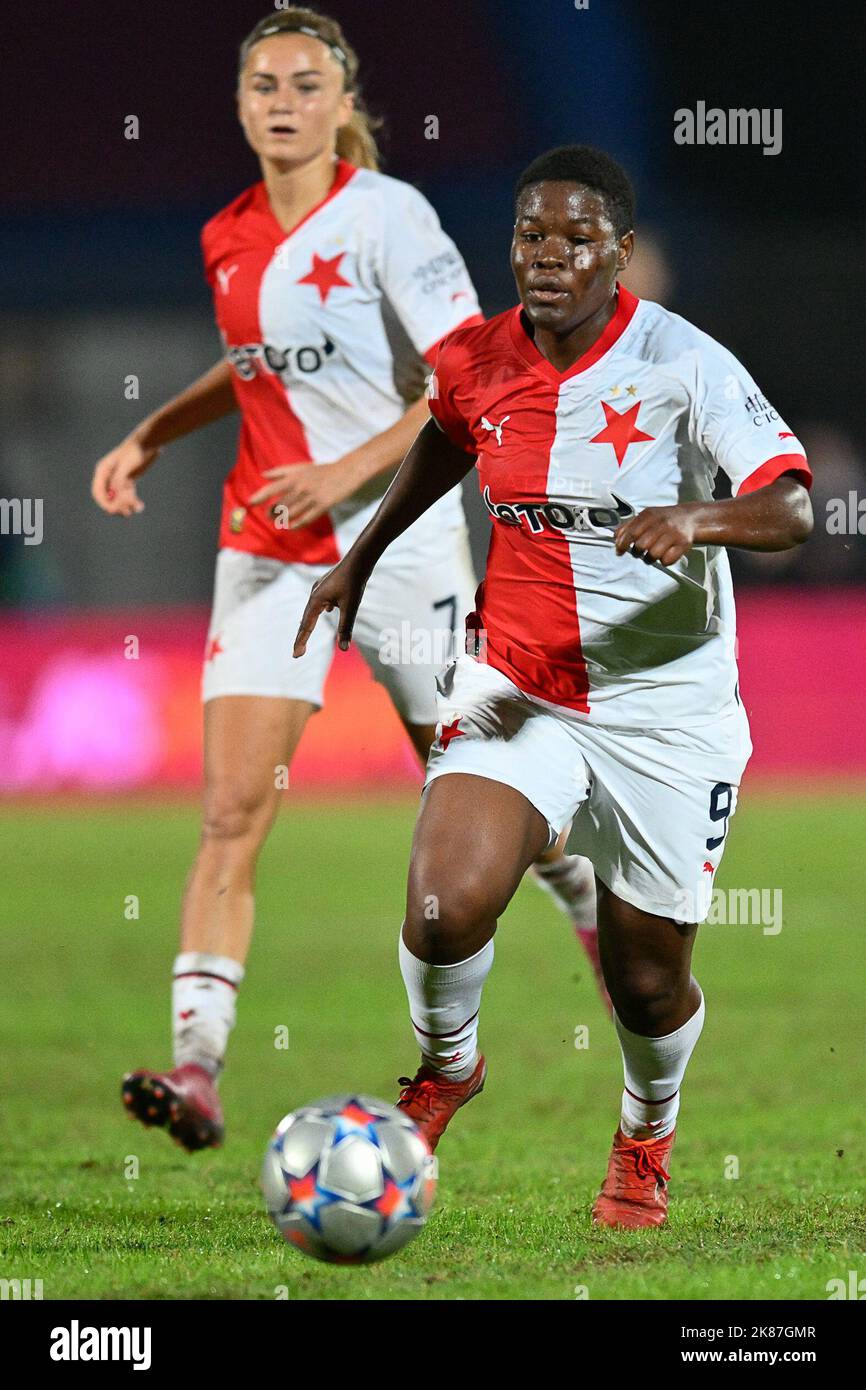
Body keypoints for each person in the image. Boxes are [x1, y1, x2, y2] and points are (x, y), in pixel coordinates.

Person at [90, 10, 597, 1152]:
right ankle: (201, 1069)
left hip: (399, 541)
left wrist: (344, 476)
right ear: (238, 102)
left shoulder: (387, 217)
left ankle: (596, 914)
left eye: (303, 82)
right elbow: (254, 359)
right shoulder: (224, 234)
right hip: (266, 546)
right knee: (229, 811)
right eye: (260, 82)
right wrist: (154, 433)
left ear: (338, 99)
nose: (280, 99)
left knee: (479, 792)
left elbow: (467, 375)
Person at [294, 144, 813, 1228]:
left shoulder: (685, 366)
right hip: (514, 683)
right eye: (533, 234)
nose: (550, 255)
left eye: (578, 239)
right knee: (443, 907)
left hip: (664, 711)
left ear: (619, 254)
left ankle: (645, 1129)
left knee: (644, 981)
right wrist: (364, 555)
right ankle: (446, 1069)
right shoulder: (479, 358)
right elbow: (443, 437)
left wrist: (696, 516)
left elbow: (790, 505)